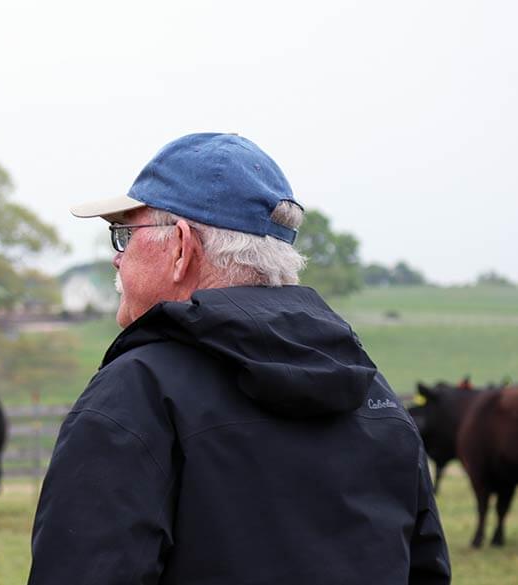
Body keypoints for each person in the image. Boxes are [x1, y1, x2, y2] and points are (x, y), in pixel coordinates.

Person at [28, 133, 450, 584]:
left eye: (124, 234)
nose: (118, 258)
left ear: (182, 247)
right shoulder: (371, 391)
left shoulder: (137, 392)